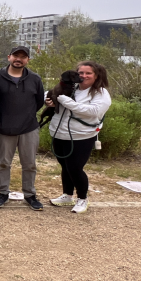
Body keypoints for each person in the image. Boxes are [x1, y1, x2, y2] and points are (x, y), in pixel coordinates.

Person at [47, 61, 111, 214]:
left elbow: (93, 111)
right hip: (59, 133)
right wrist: (49, 100)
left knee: (75, 168)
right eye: (80, 73)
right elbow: (50, 93)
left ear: (96, 76)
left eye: (88, 73)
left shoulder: (100, 93)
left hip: (81, 137)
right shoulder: (71, 87)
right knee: (65, 166)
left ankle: (82, 198)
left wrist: (64, 100)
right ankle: (67, 195)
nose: (84, 76)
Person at [0, 46, 45, 211]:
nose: (18, 59)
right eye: (16, 56)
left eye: (23, 56)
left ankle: (30, 195)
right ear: (9, 57)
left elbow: (39, 102)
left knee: (29, 164)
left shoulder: (35, 79)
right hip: (4, 129)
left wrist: (26, 115)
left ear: (27, 60)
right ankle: (3, 193)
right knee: (3, 164)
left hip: (29, 128)